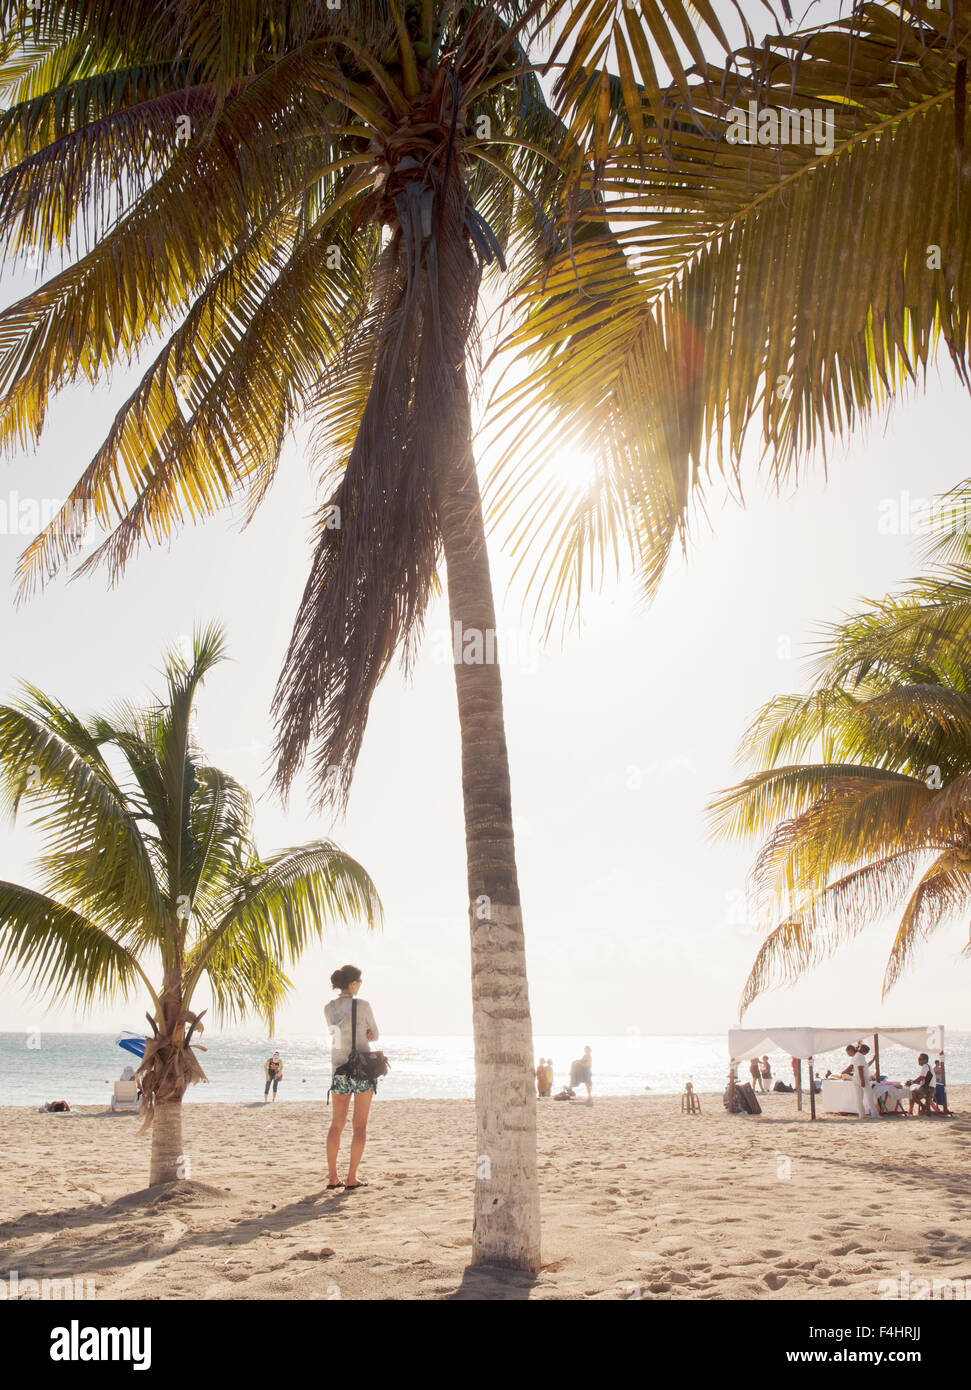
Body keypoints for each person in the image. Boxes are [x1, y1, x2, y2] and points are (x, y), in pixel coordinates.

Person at [324, 965, 379, 1190]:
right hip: (362, 1070)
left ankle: (332, 1177)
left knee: (336, 1125)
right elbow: (375, 1034)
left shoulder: (329, 1008)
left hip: (339, 1068)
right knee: (360, 1126)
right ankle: (351, 1177)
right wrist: (365, 1033)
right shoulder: (363, 1005)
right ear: (353, 984)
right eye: (360, 981)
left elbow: (337, 1037)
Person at [845, 1043, 877, 1119]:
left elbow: (865, 1066)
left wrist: (873, 1060)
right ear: (864, 1052)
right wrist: (863, 1081)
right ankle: (874, 1114)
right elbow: (860, 1069)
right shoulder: (860, 1057)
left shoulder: (855, 1056)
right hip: (861, 1078)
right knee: (869, 1096)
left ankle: (861, 1115)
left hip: (856, 1078)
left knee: (859, 1097)